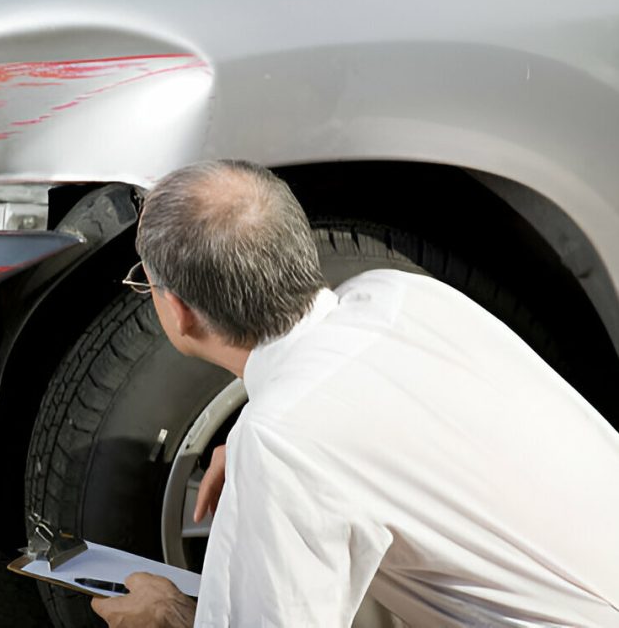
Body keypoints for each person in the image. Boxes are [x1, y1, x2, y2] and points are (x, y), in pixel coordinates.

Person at [91, 159, 619, 627]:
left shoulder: (283, 441)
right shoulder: (398, 293)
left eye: (146, 282)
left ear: (179, 312)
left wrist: (171, 616)